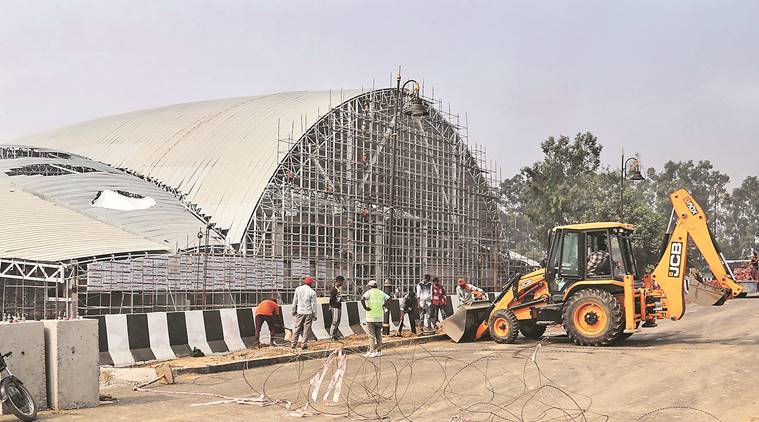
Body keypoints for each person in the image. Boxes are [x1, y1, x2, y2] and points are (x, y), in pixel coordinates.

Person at [361, 280, 390, 358]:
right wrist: (384, 305)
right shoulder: (381, 292)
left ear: (370, 286)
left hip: (370, 317)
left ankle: (372, 351)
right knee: (378, 335)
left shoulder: (369, 292)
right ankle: (379, 351)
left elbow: (362, 299)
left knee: (371, 336)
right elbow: (389, 299)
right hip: (380, 317)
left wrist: (365, 307)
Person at [291, 276, 318, 350]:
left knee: (297, 328)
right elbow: (314, 305)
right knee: (306, 329)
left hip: (299, 311)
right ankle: (304, 344)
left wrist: (293, 310)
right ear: (311, 283)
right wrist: (315, 314)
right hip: (308, 312)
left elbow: (295, 301)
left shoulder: (298, 289)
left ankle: (293, 344)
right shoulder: (312, 292)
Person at [328, 276, 344, 340]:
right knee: (335, 321)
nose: (342, 283)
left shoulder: (338, 289)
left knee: (338, 321)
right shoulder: (334, 289)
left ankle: (335, 335)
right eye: (342, 281)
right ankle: (331, 335)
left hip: (338, 306)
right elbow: (331, 299)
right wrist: (330, 306)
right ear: (339, 281)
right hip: (335, 307)